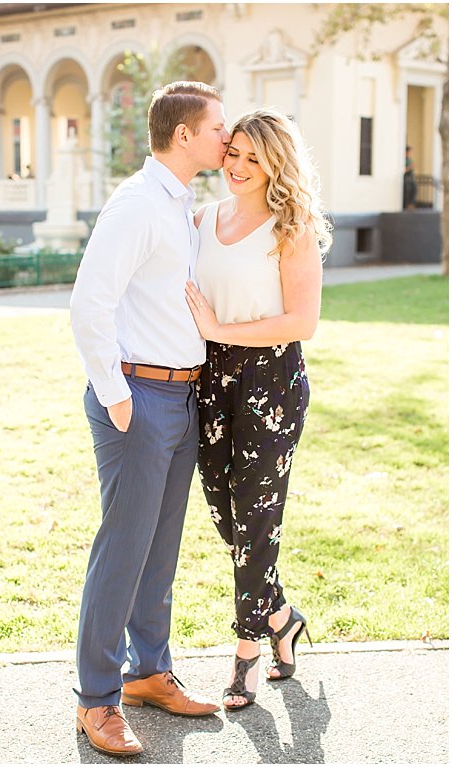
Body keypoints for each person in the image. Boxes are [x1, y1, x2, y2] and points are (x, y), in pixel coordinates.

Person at [67, 81, 230, 757]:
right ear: (185, 135)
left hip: (183, 396)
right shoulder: (137, 204)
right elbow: (88, 303)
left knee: (158, 550)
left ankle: (148, 672)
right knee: (123, 548)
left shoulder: (181, 204)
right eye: (218, 126)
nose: (228, 136)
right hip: (138, 396)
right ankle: (98, 700)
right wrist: (116, 393)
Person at [183, 108, 327, 710]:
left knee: (257, 521)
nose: (239, 166)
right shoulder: (200, 219)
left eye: (254, 157)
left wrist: (219, 327)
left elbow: (304, 322)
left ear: (276, 163)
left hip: (270, 379)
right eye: (233, 152)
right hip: (211, 379)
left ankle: (245, 654)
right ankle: (284, 618)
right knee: (228, 516)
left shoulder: (290, 227)